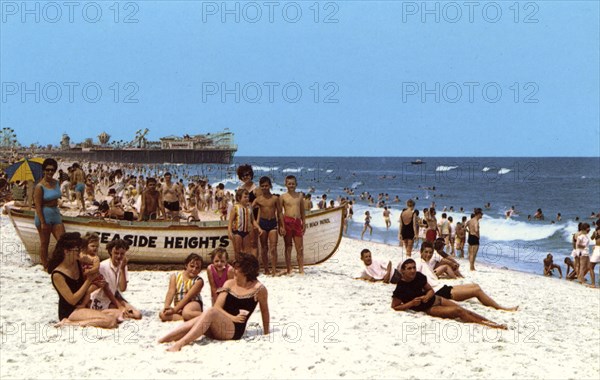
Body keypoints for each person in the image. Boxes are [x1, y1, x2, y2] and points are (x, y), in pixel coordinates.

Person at [159, 253, 270, 352]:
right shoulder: (229, 283)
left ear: (247, 271)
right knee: (200, 319)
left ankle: (180, 343)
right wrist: (232, 317)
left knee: (210, 312)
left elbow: (265, 311)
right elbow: (217, 306)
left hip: (233, 331)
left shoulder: (259, 289)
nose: (233, 270)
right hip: (219, 324)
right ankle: (164, 339)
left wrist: (266, 332)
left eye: (237, 269)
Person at [390, 259, 507, 329]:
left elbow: (430, 290)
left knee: (462, 309)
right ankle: (489, 326)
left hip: (436, 299)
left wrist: (427, 296)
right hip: (429, 308)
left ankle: (490, 322)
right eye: (409, 269)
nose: (413, 271)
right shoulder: (400, 287)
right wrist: (411, 304)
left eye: (414, 268)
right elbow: (395, 307)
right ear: (403, 271)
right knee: (458, 312)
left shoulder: (419, 276)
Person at [416, 242, 518, 311]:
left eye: (430, 252)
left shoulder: (426, 263)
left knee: (475, 285)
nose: (428, 255)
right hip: (439, 292)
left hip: (442, 288)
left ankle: (499, 306)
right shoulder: (418, 263)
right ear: (421, 252)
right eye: (426, 252)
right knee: (476, 290)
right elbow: (410, 279)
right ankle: (501, 308)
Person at [47, 232, 118, 328]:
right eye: (77, 250)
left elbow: (94, 260)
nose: (80, 252)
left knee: (118, 314)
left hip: (84, 305)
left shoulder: (77, 261)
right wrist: (89, 280)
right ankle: (68, 323)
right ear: (66, 251)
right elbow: (72, 300)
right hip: (71, 310)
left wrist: (95, 264)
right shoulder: (58, 274)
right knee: (111, 322)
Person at [90, 239, 142, 319]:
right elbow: (106, 290)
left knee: (137, 315)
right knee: (122, 314)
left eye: (122, 254)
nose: (119, 256)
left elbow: (122, 288)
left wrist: (122, 269)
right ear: (111, 252)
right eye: (116, 253)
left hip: (114, 297)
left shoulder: (123, 265)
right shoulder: (103, 266)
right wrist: (119, 306)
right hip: (100, 299)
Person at [34, 158, 65, 269]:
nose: (50, 172)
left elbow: (57, 198)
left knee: (64, 241)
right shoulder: (39, 186)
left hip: (55, 213)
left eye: (52, 170)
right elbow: (37, 206)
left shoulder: (56, 183)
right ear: (44, 170)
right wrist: (42, 222)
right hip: (44, 214)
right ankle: (45, 266)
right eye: (47, 170)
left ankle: (54, 261)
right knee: (44, 243)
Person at [253, 176, 285, 275]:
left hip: (272, 223)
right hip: (262, 224)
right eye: (262, 186)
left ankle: (274, 269)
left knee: (273, 247)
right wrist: (254, 223)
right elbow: (249, 210)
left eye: (266, 185)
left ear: (270, 186)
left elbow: (280, 213)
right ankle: (266, 269)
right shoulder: (258, 199)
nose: (264, 188)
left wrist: (282, 226)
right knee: (264, 247)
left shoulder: (275, 198)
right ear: (260, 187)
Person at [160, 253, 204, 322]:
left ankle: (207, 316)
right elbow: (171, 292)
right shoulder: (175, 276)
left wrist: (174, 310)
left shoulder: (198, 281)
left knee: (186, 312)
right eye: (192, 266)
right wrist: (167, 306)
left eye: (197, 268)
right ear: (186, 265)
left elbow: (188, 297)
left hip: (192, 303)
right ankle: (187, 318)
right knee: (162, 314)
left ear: (200, 270)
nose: (194, 269)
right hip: (178, 306)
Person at [279, 175, 306, 274]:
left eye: (293, 184)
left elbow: (302, 211)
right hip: (287, 221)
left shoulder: (300, 196)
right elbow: (279, 213)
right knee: (288, 246)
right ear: (286, 184)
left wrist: (304, 222)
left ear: (296, 184)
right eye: (289, 183)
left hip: (297, 222)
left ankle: (301, 268)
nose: (291, 185)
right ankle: (289, 268)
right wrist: (281, 226)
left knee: (300, 247)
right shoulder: (283, 197)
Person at [228, 188, 253, 256]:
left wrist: (259, 228)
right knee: (237, 251)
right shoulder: (235, 208)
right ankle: (238, 265)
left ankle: (245, 266)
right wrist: (229, 231)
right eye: (245, 197)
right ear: (239, 198)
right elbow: (230, 221)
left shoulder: (249, 208)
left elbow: (253, 221)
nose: (247, 198)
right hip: (237, 232)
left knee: (247, 252)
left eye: (248, 197)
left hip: (246, 232)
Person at [589, 220, 600, 287]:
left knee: (591, 267)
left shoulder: (595, 232)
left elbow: (592, 238)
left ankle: (593, 284)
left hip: (597, 249)